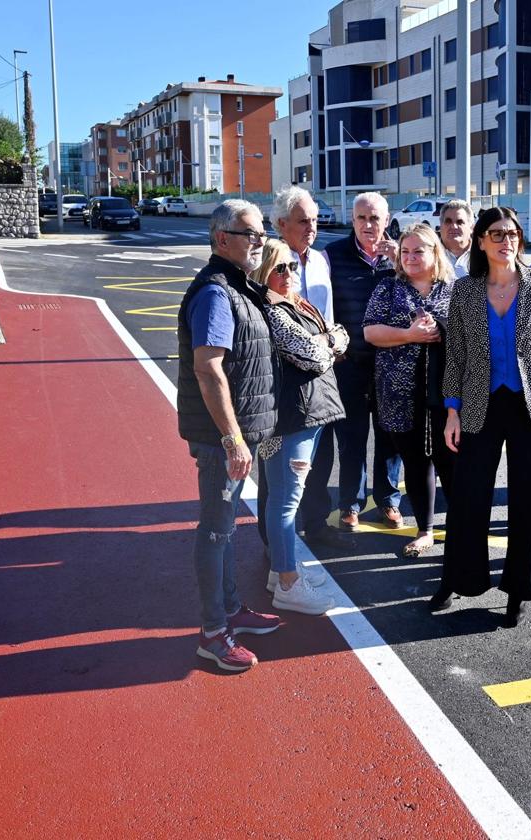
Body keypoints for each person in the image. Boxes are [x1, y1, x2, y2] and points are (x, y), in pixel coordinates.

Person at [436, 206, 531, 628]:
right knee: (468, 498)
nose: (506, 240)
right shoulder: (464, 290)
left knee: (529, 500)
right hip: (479, 403)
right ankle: (459, 579)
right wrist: (451, 410)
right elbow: (454, 354)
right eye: (496, 234)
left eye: (512, 233)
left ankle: (519, 589)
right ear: (480, 241)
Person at [177, 200, 283, 672]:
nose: (260, 240)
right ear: (223, 239)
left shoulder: (239, 286)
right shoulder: (217, 293)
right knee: (216, 531)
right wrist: (234, 440)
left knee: (226, 530)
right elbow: (209, 368)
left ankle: (232, 608)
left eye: (262, 232)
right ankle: (213, 632)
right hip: (226, 439)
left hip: (244, 431)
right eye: (251, 233)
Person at [252, 239, 348, 615]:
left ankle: (282, 570)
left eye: (292, 266)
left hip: (306, 412)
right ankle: (289, 585)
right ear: (263, 274)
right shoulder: (273, 312)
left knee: (284, 497)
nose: (289, 274)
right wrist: (329, 342)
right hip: (291, 418)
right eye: (279, 269)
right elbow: (314, 355)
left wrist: (329, 341)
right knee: (285, 500)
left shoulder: (293, 305)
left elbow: (339, 335)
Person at [254, 186, 347, 548]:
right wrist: (325, 345)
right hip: (286, 384)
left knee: (321, 458)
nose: (312, 226)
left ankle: (317, 522)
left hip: (323, 372)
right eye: (302, 220)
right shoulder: (268, 260)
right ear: (280, 224)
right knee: (279, 470)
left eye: (314, 220)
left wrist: (332, 345)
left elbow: (330, 321)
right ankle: (274, 540)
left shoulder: (321, 259)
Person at [363, 224, 456, 558]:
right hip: (399, 391)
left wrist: (441, 329)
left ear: (435, 252)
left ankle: (461, 527)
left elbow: (473, 336)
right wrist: (410, 334)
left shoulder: (454, 289)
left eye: (419, 250)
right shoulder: (388, 288)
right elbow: (371, 332)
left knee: (452, 460)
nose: (411, 257)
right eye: (405, 251)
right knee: (416, 461)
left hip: (449, 394)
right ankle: (425, 530)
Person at [323, 192, 404, 531]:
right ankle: (350, 504)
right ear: (352, 220)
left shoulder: (402, 254)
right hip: (351, 363)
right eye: (361, 218)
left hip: (391, 365)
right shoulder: (333, 255)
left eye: (375, 218)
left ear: (386, 221)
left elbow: (427, 288)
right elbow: (322, 306)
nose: (368, 225)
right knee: (352, 437)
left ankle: (388, 501)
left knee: (390, 438)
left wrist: (400, 260)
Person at [437, 199, 473, 278]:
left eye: (460, 222)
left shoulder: (484, 254)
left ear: (471, 227)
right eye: (448, 221)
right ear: (440, 225)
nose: (453, 226)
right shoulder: (430, 254)